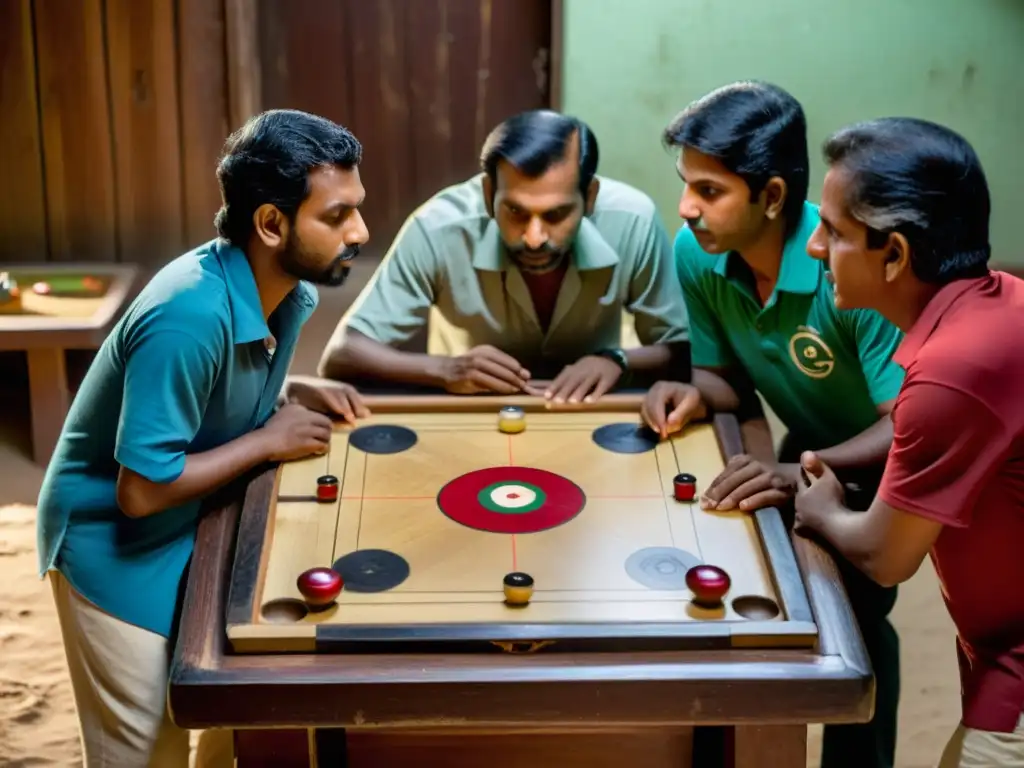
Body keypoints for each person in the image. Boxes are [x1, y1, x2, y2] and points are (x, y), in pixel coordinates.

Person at [35, 109, 370, 767]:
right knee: (142, 752)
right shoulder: (186, 314)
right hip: (113, 545)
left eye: (356, 208)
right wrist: (269, 442)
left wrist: (289, 390)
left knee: (233, 722)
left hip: (201, 518)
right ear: (271, 224)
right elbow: (140, 491)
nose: (359, 230)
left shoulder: (287, 292)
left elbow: (226, 388)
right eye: (336, 216)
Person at [639, 82, 905, 768]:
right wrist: (690, 392)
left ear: (775, 197)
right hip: (813, 445)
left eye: (709, 190)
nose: (687, 207)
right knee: (776, 596)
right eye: (685, 185)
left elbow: (910, 425)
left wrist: (800, 474)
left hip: (891, 461)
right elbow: (722, 374)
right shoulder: (695, 253)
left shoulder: (850, 267)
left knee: (858, 622)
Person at [794, 117, 1024, 767]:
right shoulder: (998, 302)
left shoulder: (955, 371)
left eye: (833, 232)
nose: (814, 248)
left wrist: (821, 509)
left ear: (894, 255)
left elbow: (884, 556)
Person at [317, 109, 691, 402]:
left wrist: (617, 361)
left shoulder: (633, 222)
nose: (533, 237)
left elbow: (683, 350)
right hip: (468, 408)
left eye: (556, 214)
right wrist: (446, 370)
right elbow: (343, 354)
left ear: (590, 197)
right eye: (515, 212)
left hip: (591, 405)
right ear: (486, 194)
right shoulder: (438, 228)